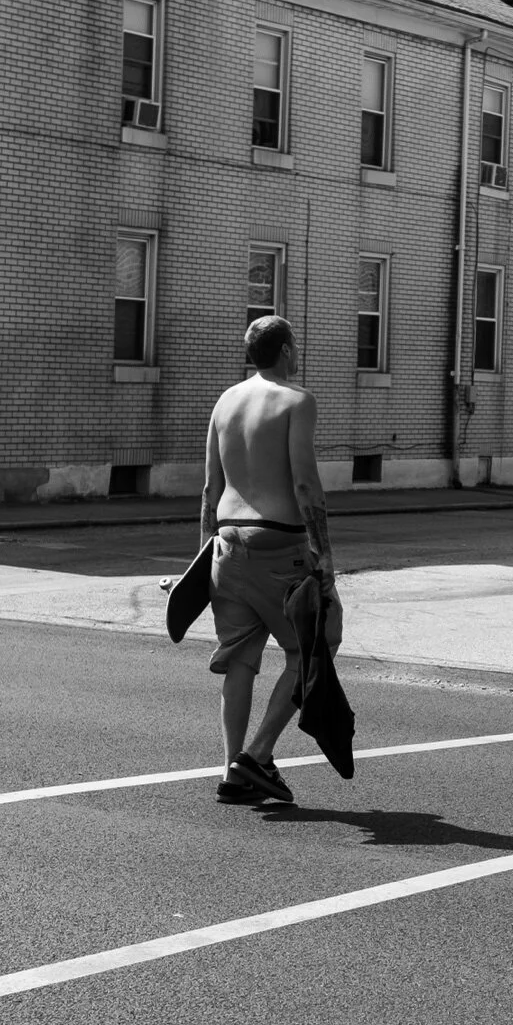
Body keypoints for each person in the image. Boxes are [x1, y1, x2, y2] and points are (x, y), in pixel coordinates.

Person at [200, 314, 338, 806]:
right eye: (295, 347)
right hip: (280, 547)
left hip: (226, 545)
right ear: (285, 351)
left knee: (240, 660)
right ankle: (256, 757)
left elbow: (210, 488)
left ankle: (231, 774)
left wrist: (202, 555)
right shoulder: (297, 401)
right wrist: (323, 554)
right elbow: (304, 483)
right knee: (315, 645)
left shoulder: (225, 401)